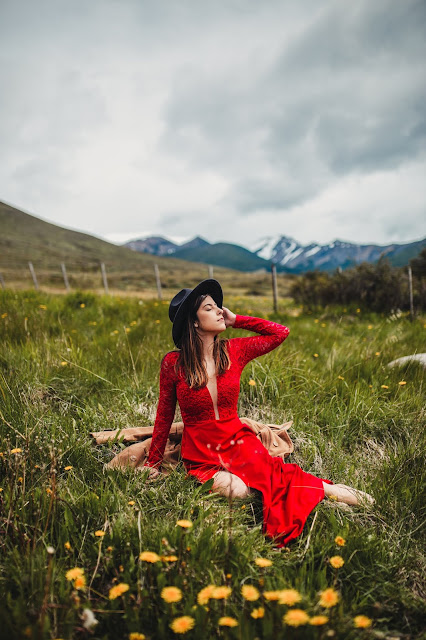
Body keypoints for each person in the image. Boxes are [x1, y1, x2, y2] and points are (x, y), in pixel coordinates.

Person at [143, 279, 373, 547]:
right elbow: (164, 415)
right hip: (201, 450)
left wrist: (237, 319)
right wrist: (153, 462)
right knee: (237, 491)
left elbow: (280, 332)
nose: (220, 311)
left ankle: (327, 490)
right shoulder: (173, 363)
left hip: (237, 439)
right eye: (210, 308)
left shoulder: (233, 351)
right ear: (194, 322)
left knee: (275, 477)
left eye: (219, 307)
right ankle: (317, 493)